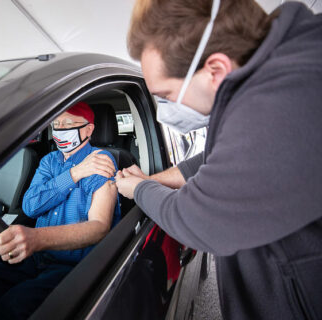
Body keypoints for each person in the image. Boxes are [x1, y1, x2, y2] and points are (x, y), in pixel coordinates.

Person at [115, 0, 322, 319]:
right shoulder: (285, 66)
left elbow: (192, 217)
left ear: (215, 70)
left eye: (167, 96)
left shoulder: (279, 110)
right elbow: (226, 158)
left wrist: (139, 191)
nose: (165, 110)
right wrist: (153, 179)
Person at [0, 101, 120, 319]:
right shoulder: (49, 161)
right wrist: (73, 174)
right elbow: (30, 206)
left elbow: (98, 227)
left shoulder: (100, 161)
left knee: (14, 306)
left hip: (72, 266)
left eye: (68, 123)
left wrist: (36, 238)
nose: (60, 130)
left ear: (89, 129)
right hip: (36, 258)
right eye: (57, 124)